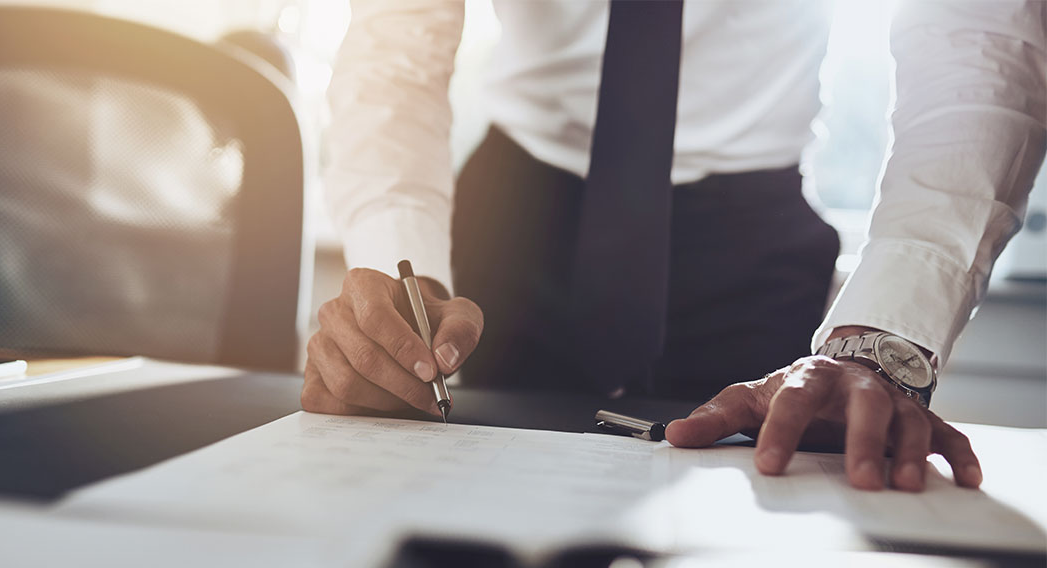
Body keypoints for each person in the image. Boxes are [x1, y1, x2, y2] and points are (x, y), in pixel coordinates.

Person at [302, 0, 1046, 492]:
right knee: (451, 513)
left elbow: (983, 42)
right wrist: (398, 265)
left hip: (751, 239)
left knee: (752, 527)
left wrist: (886, 336)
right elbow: (396, 43)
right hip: (515, 216)